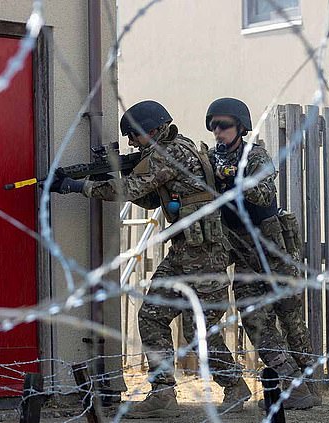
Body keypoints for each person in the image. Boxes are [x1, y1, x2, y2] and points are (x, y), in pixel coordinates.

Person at [51, 100, 251, 417]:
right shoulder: (169, 149)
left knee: (200, 332)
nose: (132, 142)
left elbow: (129, 189)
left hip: (205, 254)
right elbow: (148, 197)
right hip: (186, 252)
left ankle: (236, 388)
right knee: (152, 316)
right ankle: (163, 392)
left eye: (135, 136)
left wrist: (79, 186)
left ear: (154, 130)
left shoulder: (169, 152)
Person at [204, 97, 321, 410]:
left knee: (292, 319)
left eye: (224, 125)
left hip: (272, 249)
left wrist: (231, 175)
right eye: (214, 125)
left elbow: (263, 193)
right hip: (241, 253)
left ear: (240, 127)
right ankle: (294, 385)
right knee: (255, 319)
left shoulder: (255, 156)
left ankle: (309, 387)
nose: (218, 131)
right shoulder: (210, 160)